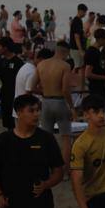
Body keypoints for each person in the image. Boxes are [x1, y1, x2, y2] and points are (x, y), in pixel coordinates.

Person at [32, 41, 75, 169]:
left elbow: (32, 87)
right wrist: (72, 107)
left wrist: (45, 91)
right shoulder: (65, 66)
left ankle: (46, 168)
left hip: (46, 102)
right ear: (66, 52)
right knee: (66, 138)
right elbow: (65, 90)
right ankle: (65, 171)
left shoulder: (41, 65)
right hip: (60, 102)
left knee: (46, 138)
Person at [0, 38, 24, 129]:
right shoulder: (1, 61)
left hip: (15, 94)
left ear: (5, 48)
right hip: (5, 94)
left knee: (17, 121)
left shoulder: (18, 62)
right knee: (7, 122)